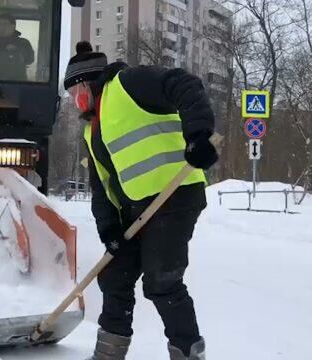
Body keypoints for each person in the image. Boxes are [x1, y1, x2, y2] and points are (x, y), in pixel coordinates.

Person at [64, 41, 218, 360]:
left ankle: (188, 352)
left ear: (87, 84)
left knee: (161, 281)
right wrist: (110, 232)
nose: (74, 101)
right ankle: (109, 352)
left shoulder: (129, 83)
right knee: (114, 274)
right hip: (138, 208)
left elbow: (185, 84)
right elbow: (102, 188)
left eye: (73, 92)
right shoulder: (93, 131)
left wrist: (199, 135)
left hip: (175, 194)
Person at [0, 14, 35, 81]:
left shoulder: (23, 43)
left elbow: (30, 60)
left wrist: (17, 51)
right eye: (0, 24)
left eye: (5, 24)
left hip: (19, 86)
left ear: (13, 26)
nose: (2, 27)